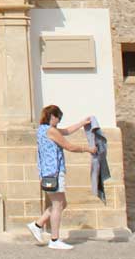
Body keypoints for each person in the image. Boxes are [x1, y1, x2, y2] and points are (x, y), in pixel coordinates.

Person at [28, 105, 96, 251]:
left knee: (60, 203)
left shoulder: (42, 129)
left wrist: (82, 123)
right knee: (58, 205)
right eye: (58, 117)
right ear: (51, 116)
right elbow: (69, 146)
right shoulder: (51, 131)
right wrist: (88, 149)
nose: (59, 121)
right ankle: (54, 239)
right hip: (54, 172)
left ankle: (37, 225)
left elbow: (66, 131)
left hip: (47, 172)